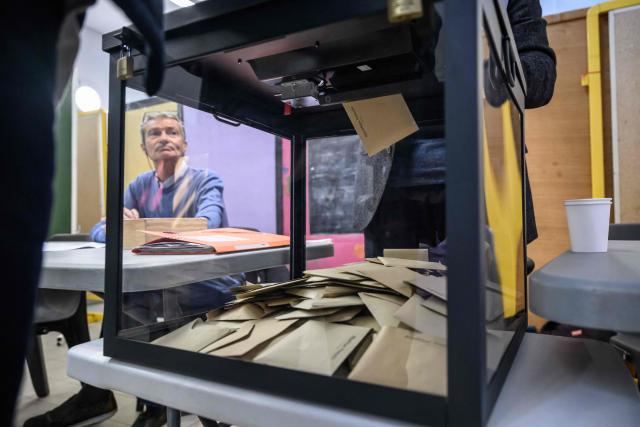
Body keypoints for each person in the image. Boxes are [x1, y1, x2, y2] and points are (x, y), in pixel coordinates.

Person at [2, 2, 164, 427]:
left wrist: (140, 228)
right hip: (139, 279)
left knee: (135, 295)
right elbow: (100, 229)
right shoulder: (137, 186)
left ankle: (154, 401)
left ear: (183, 141)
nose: (163, 139)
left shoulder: (204, 181)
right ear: (143, 147)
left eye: (172, 132)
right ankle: (100, 395)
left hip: (183, 284)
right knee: (113, 287)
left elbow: (208, 224)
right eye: (154, 134)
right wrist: (114, 227)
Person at [355, 0, 556, 256]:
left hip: (484, 182)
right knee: (388, 294)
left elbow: (542, 77)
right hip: (388, 183)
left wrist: (492, 65)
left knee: (489, 295)